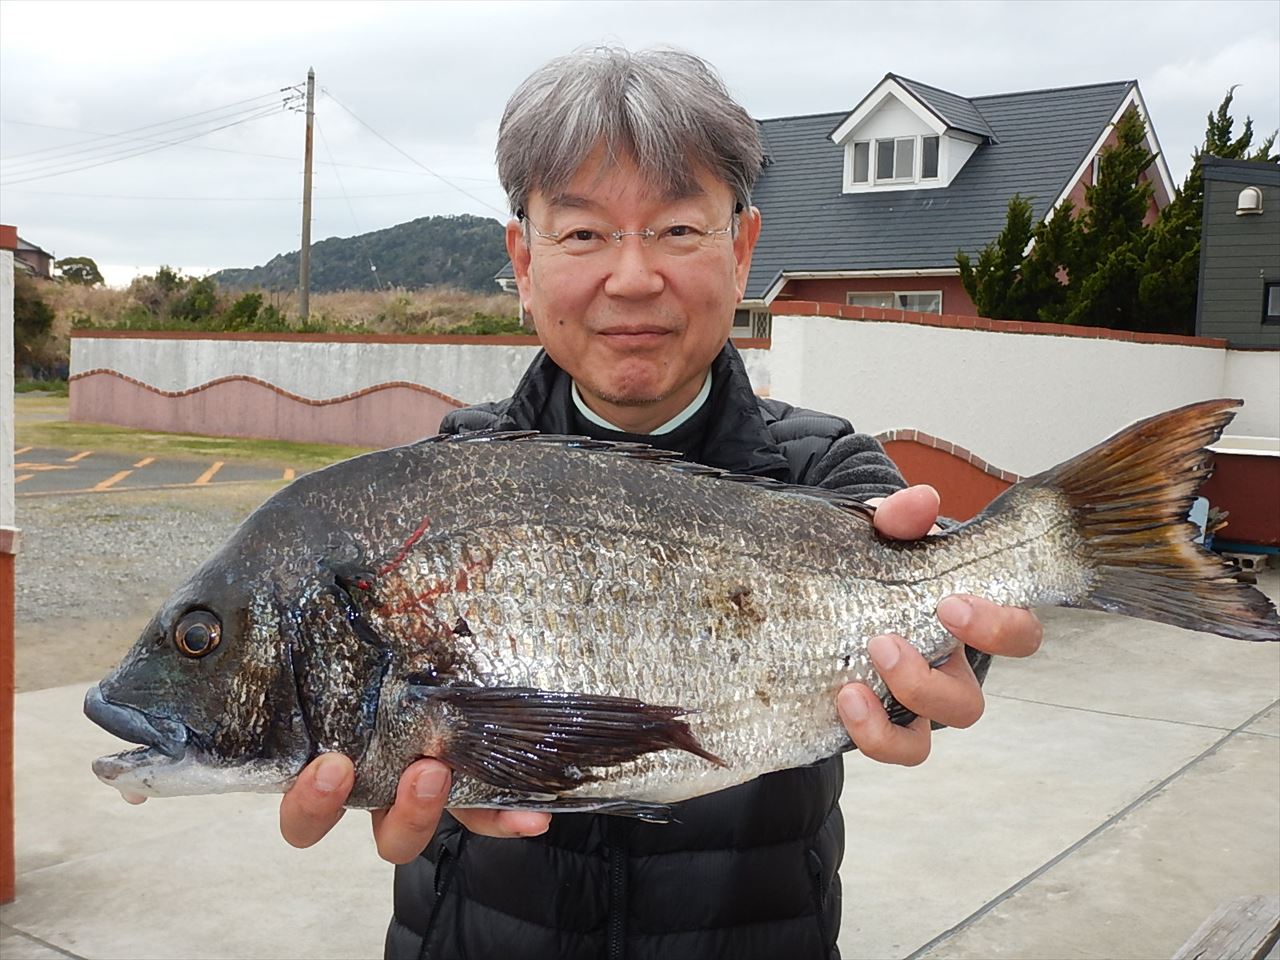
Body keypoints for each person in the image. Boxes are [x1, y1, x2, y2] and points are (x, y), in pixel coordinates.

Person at [279, 47, 1042, 959]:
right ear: (523, 261)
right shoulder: (445, 488)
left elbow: (922, 602)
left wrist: (950, 660)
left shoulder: (826, 472)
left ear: (743, 248)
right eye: (583, 233)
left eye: (679, 230)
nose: (633, 277)